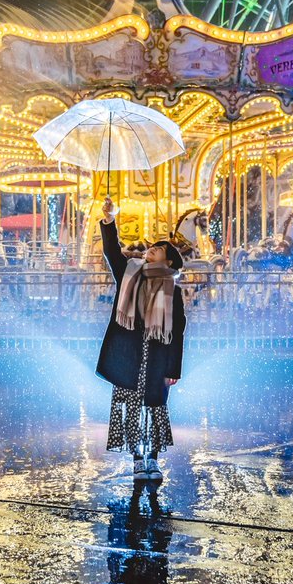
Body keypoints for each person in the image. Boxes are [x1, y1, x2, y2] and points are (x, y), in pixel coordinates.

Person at [97, 196, 186, 489]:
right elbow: (112, 251)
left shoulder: (173, 290)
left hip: (157, 355)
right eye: (151, 247)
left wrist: (174, 367)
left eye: (158, 249)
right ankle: (138, 458)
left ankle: (154, 457)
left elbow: (178, 331)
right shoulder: (130, 273)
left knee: (156, 406)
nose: (151, 250)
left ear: (169, 261)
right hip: (130, 353)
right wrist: (110, 220)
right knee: (133, 406)